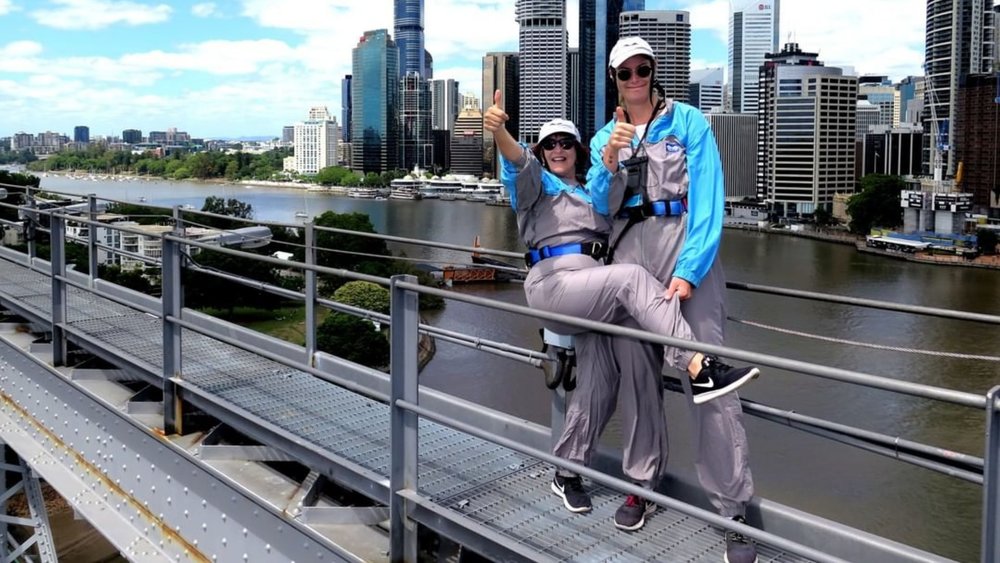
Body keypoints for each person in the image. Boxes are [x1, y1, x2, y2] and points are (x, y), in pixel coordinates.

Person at [483, 89, 759, 532]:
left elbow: (612, 197)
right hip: (555, 285)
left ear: (577, 150)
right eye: (549, 143)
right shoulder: (536, 188)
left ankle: (569, 468)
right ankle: (694, 361)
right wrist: (500, 134)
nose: (557, 150)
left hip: (595, 295)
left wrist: (612, 154)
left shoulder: (593, 193)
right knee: (631, 277)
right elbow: (518, 165)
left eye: (565, 143)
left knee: (601, 379)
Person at [588, 36, 759, 562]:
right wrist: (611, 159)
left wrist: (688, 271)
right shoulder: (604, 137)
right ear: (614, 79)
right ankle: (641, 484)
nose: (635, 78)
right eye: (625, 73)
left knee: (707, 376)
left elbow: (708, 199)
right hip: (630, 259)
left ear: (655, 71)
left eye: (644, 69)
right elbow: (599, 205)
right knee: (638, 376)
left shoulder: (688, 123)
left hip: (686, 252)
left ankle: (734, 512)